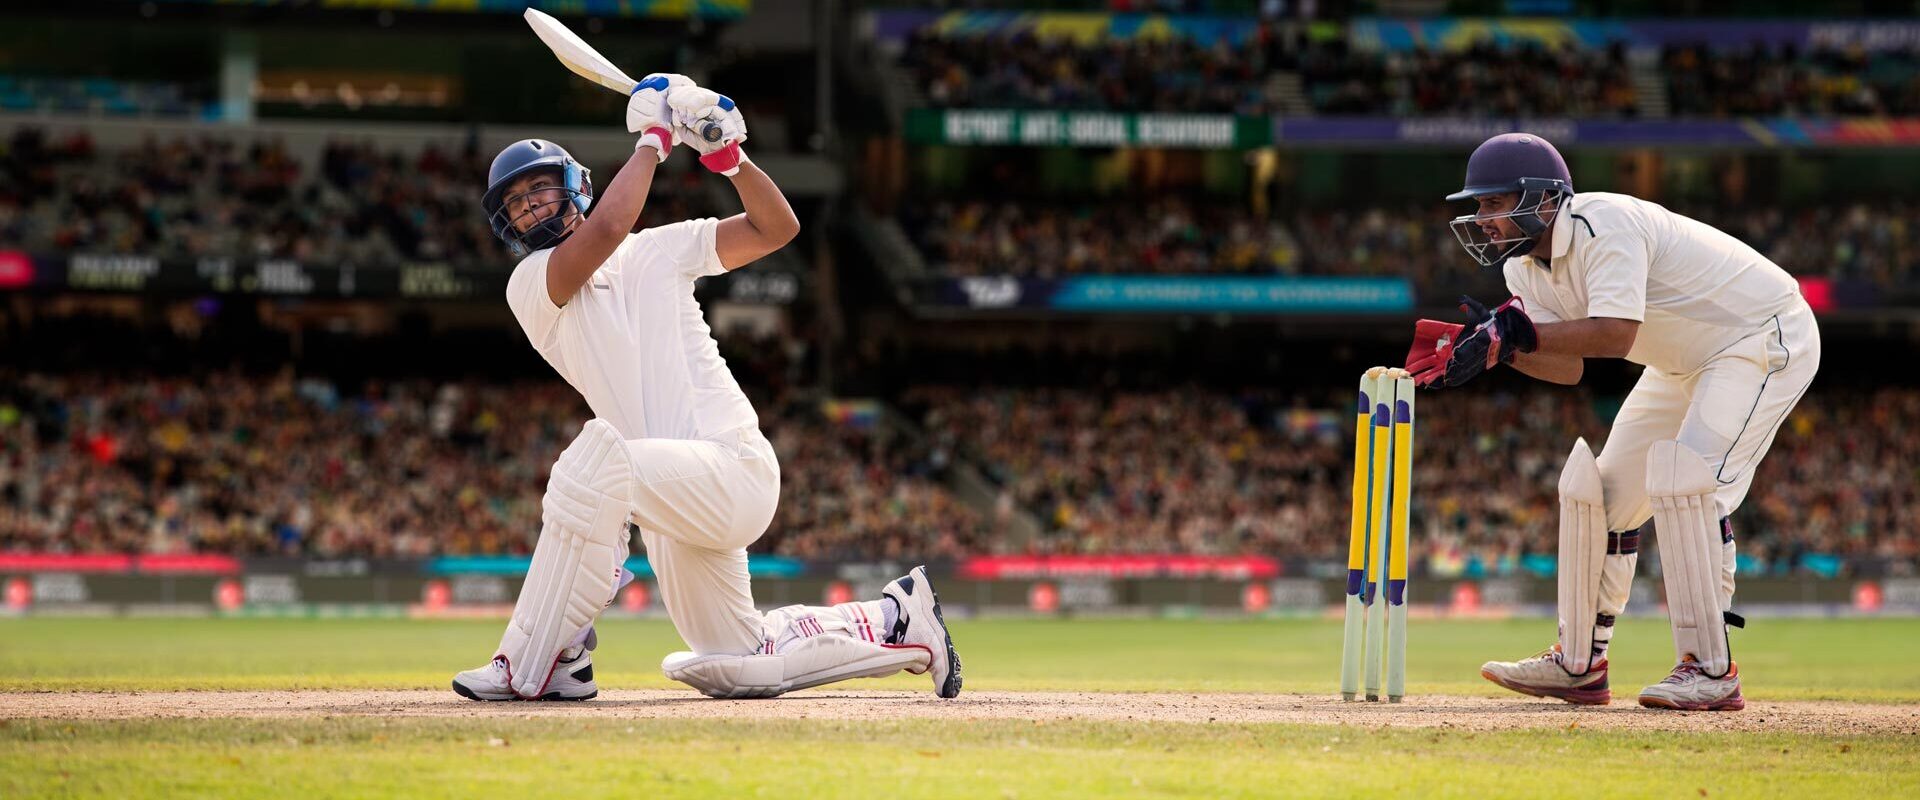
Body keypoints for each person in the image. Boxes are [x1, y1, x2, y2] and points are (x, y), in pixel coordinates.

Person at [452, 75, 961, 701]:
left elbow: (776, 228)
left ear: (573, 185)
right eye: (515, 201)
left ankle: (542, 660)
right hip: (668, 498)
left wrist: (730, 159)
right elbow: (606, 230)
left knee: (594, 461)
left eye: (539, 188)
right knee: (737, 660)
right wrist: (654, 139)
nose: (529, 205)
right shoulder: (530, 282)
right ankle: (899, 618)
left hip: (730, 465)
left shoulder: (661, 250)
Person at [1406, 133, 1818, 711]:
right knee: (1602, 500)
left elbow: (1615, 334)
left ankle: (1710, 668)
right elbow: (1569, 366)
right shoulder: (1522, 270)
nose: (1483, 219)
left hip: (1760, 338)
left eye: (1494, 203)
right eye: (1479, 206)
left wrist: (1516, 333)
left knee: (1690, 488)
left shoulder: (1604, 224)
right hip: (1677, 363)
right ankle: (1581, 662)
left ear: (1542, 198)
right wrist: (1498, 349)